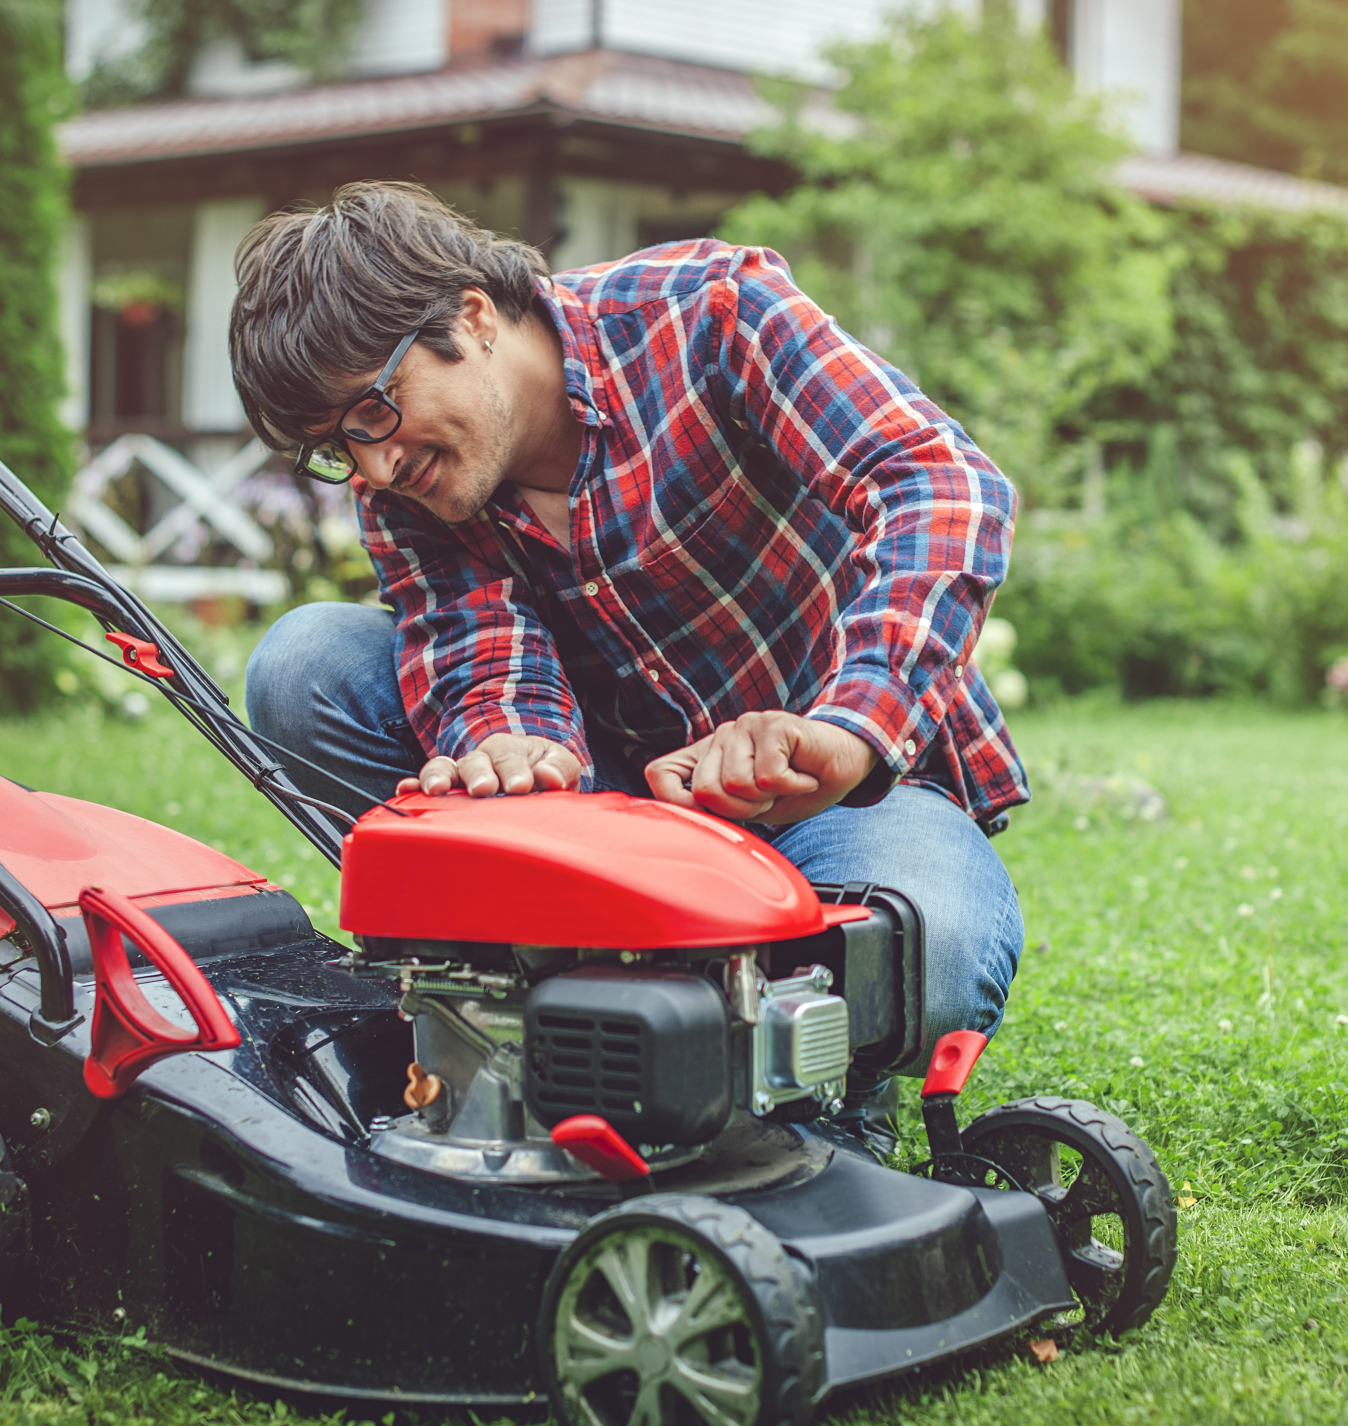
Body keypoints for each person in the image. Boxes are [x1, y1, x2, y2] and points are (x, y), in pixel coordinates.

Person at [229, 181, 1027, 1156]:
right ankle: (510, 990)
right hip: (612, 815)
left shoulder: (710, 314)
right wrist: (506, 747)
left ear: (471, 317)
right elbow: (480, 646)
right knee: (304, 661)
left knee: (933, 956)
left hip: (841, 798)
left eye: (372, 411)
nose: (376, 469)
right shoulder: (410, 482)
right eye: (334, 448)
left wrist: (849, 725)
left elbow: (938, 482)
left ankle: (814, 1064)